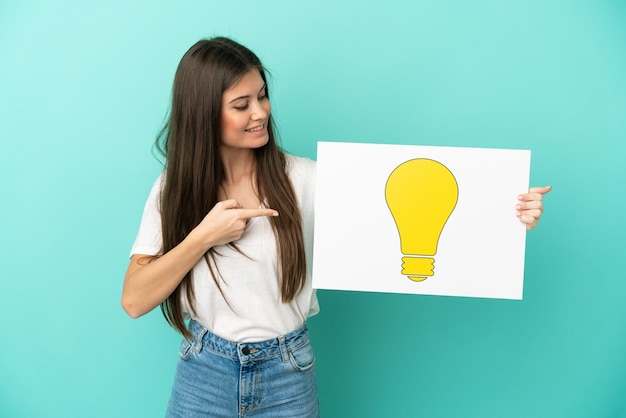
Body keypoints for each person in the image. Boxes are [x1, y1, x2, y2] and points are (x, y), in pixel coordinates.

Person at [121, 36, 551, 418]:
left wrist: (507, 213)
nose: (261, 112)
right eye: (242, 104)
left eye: (263, 96)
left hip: (286, 372)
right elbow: (135, 300)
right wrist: (202, 237)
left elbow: (412, 199)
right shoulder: (172, 190)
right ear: (203, 114)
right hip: (204, 371)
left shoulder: (305, 180)